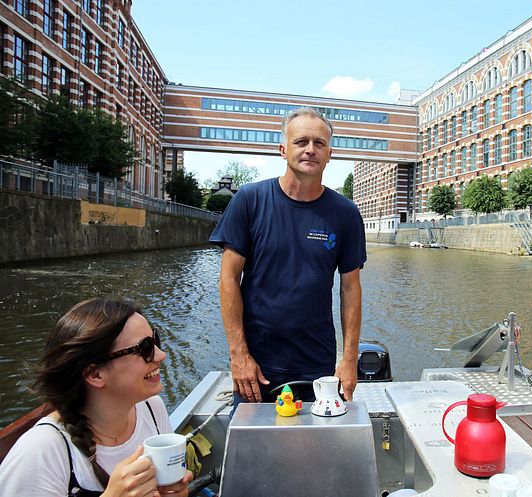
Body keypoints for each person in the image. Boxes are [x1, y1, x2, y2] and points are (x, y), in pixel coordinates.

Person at [209, 107, 366, 404]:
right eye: (301, 142)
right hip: (257, 364)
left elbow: (350, 288)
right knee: (252, 448)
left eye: (319, 143)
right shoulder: (250, 200)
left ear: (329, 153)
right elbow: (228, 278)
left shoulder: (345, 214)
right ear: (283, 150)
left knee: (314, 449)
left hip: (317, 364)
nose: (310, 150)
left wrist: (348, 360)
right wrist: (239, 354)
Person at [0, 298, 193, 497]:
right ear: (95, 374)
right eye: (145, 348)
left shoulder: (152, 408)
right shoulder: (41, 451)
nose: (161, 355)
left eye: (156, 341)